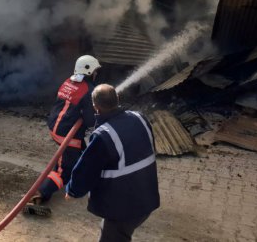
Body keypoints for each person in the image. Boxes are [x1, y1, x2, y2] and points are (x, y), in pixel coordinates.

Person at [65, 84, 159, 242]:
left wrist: (73, 190)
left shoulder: (104, 136)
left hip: (125, 207)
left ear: (95, 107)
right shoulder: (139, 118)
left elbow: (86, 169)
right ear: (117, 99)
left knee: (113, 236)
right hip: (147, 198)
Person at [24, 54, 101, 216]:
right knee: (63, 170)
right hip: (67, 134)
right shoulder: (89, 90)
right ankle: (39, 196)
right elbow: (89, 120)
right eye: (95, 71)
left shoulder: (69, 81)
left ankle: (87, 179)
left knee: (83, 153)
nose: (96, 74)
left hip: (55, 126)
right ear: (89, 71)